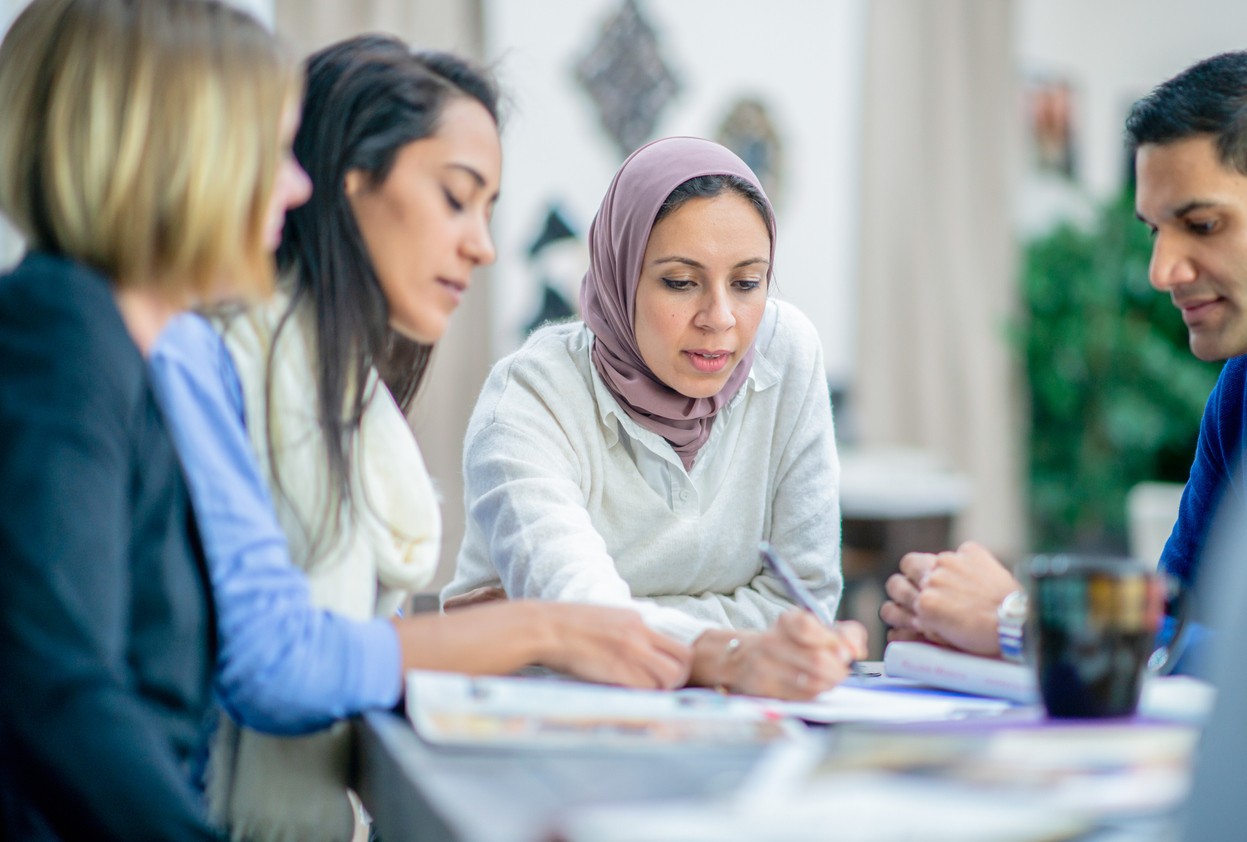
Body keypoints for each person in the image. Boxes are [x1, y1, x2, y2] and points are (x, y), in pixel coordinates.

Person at [150, 36, 690, 842]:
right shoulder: (217, 359)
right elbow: (270, 661)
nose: (482, 244)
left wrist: (459, 636)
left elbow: (326, 634)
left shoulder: (347, 389)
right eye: (455, 197)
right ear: (349, 177)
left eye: (488, 209)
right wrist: (521, 630)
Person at [0, 0, 300, 838]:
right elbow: (55, 689)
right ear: (180, 157)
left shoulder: (125, 347)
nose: (297, 184)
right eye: (275, 151)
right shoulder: (60, 334)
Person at [443, 136, 868, 700]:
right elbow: (585, 613)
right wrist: (727, 647)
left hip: (725, 729)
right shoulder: (530, 399)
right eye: (680, 282)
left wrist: (561, 628)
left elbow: (804, 605)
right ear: (620, 275)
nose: (720, 318)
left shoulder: (787, 352)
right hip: (535, 726)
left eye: (747, 283)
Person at [880, 50, 1247, 665]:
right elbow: (1171, 630)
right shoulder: (1237, 395)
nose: (1161, 272)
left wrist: (1024, 623)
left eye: (1202, 225)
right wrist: (976, 631)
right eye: (1155, 231)